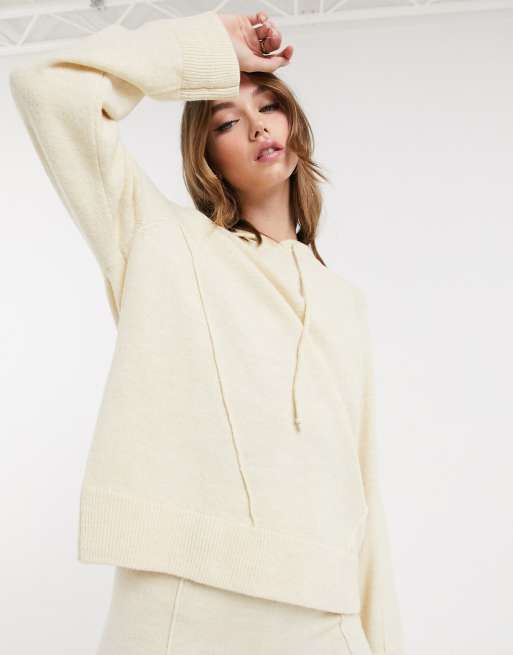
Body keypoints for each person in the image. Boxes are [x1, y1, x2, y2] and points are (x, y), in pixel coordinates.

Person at [9, 8, 405, 655]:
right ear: (206, 157)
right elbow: (47, 87)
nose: (256, 126)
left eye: (268, 106)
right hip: (186, 600)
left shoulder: (343, 303)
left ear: (293, 124)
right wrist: (209, 50)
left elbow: (362, 488)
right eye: (225, 121)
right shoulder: (160, 241)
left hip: (323, 608)